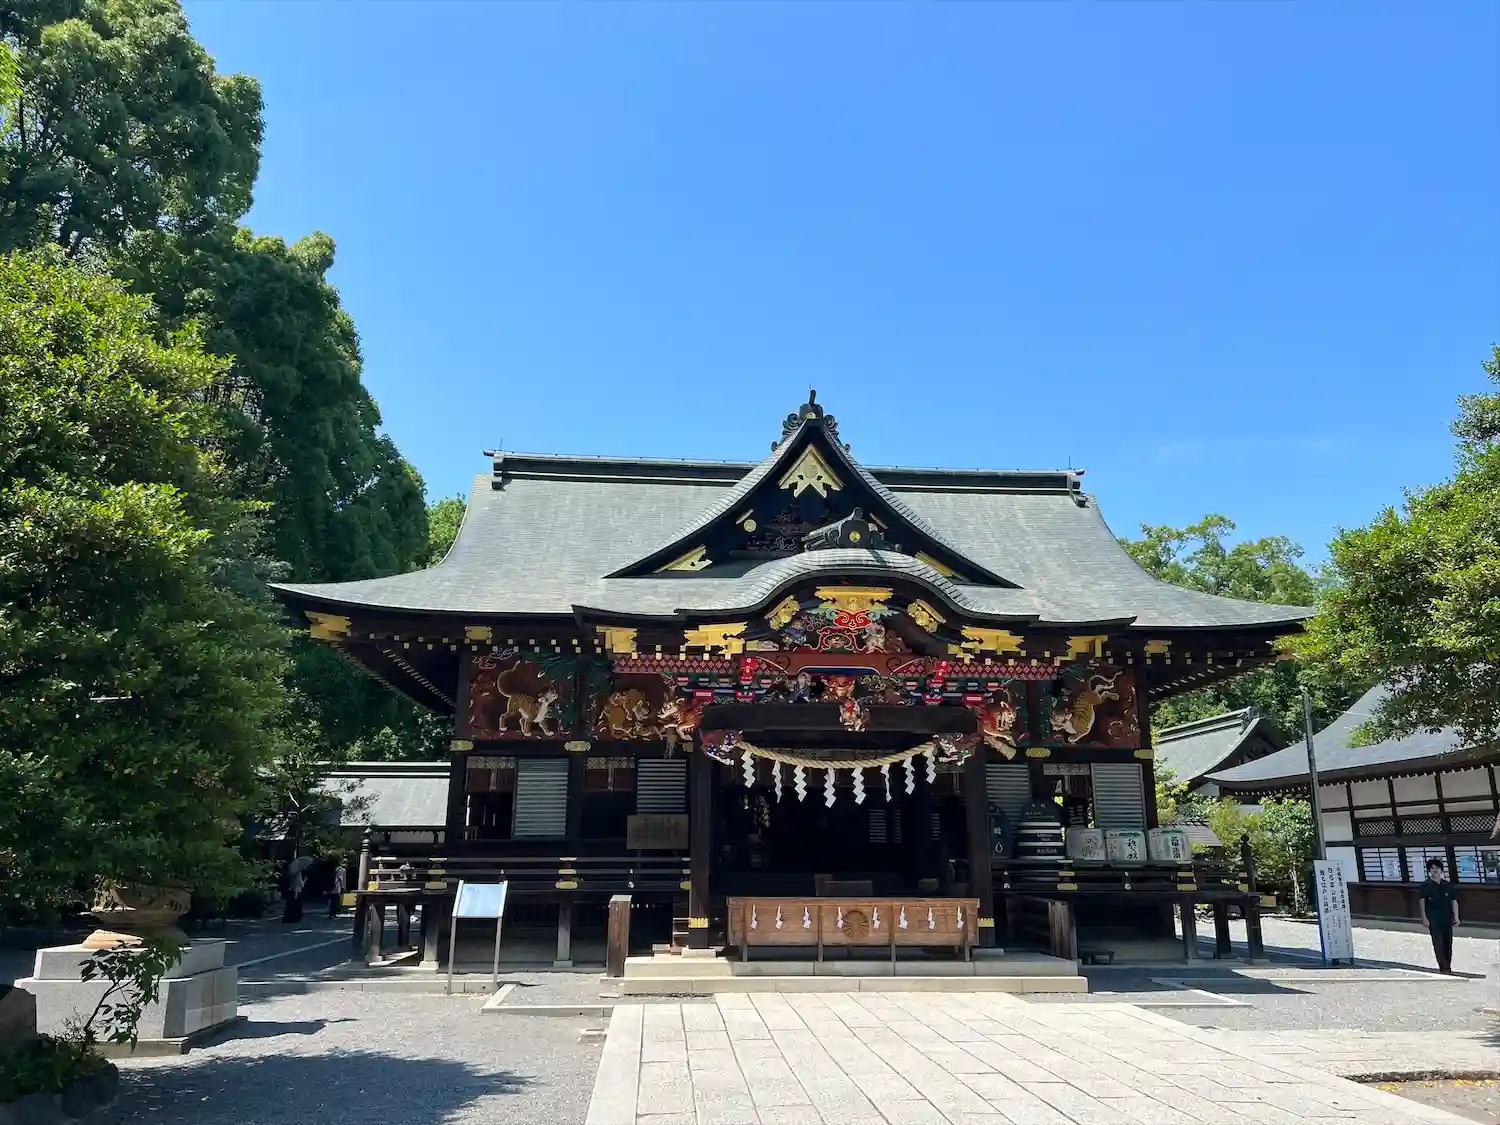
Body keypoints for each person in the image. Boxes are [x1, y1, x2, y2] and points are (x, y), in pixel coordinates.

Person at [1418, 857, 1460, 973]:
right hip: (1433, 918)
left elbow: (1454, 901)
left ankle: (1448, 965)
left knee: (1448, 942)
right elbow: (1422, 901)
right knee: (1438, 942)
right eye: (1432, 868)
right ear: (1429, 871)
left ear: (1441, 870)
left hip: (1447, 917)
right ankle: (1443, 966)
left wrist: (1456, 916)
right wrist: (1424, 918)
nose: (1435, 870)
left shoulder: (1447, 885)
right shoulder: (1426, 885)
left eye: (1437, 868)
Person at [281, 854, 313, 924]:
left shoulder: (295, 871)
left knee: (293, 903)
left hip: (295, 888)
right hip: (297, 888)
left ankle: (291, 917)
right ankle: (295, 917)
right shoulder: (297, 872)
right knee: (296, 902)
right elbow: (298, 884)